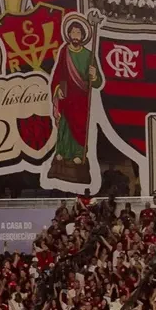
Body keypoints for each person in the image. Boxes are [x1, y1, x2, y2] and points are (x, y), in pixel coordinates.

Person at [48, 12, 104, 184]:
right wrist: (57, 89)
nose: (75, 35)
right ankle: (62, 153)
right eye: (72, 32)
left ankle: (79, 154)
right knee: (65, 125)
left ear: (83, 35)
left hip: (81, 97)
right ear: (68, 34)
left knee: (80, 126)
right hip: (67, 95)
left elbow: (97, 83)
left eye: (78, 33)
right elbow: (58, 74)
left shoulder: (88, 55)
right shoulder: (64, 51)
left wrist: (94, 76)